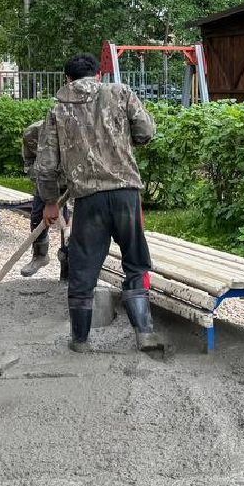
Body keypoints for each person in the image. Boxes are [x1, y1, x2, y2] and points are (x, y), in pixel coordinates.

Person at [32, 53, 162, 354]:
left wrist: (50, 202)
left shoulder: (57, 110)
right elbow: (146, 132)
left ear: (67, 79)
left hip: (88, 200)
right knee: (135, 261)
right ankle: (145, 333)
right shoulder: (121, 93)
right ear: (99, 75)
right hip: (126, 194)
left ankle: (80, 340)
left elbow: (46, 164)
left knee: (83, 267)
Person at [18, 120, 67, 278]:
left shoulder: (77, 130)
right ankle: (40, 255)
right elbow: (29, 162)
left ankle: (70, 260)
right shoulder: (32, 133)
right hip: (46, 179)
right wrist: (46, 187)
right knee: (37, 215)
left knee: (72, 224)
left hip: (75, 181)